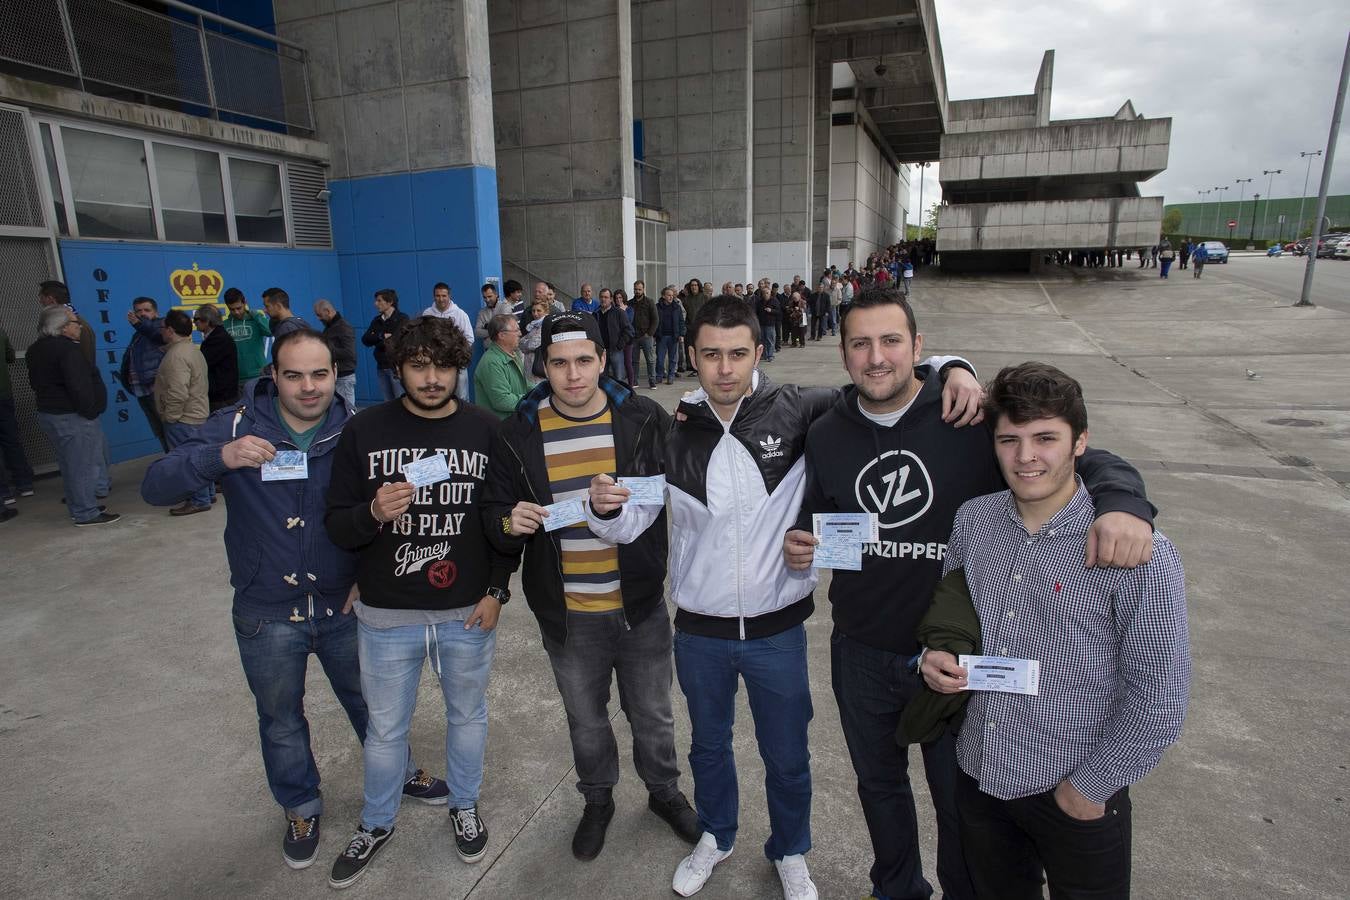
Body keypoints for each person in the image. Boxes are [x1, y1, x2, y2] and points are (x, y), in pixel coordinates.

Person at [589, 295, 983, 900]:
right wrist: (601, 510)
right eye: (712, 355)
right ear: (691, 356)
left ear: (758, 352)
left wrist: (956, 367)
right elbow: (631, 519)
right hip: (700, 630)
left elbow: (881, 376)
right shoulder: (668, 432)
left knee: (788, 756)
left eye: (738, 354)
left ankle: (790, 849)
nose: (725, 368)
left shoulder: (799, 408)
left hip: (778, 630)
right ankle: (717, 836)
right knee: (710, 747)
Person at [783, 288, 1156, 900]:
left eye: (891, 341)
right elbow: (823, 519)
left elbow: (1065, 452)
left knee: (961, 803)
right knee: (878, 788)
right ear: (844, 354)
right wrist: (806, 545)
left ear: (919, 349)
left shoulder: (969, 414)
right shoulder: (827, 433)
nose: (877, 358)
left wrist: (1125, 503)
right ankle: (897, 888)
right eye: (860, 344)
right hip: (861, 649)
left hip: (964, 659)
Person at [141, 328, 448, 872]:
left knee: (376, 707)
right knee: (280, 718)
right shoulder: (234, 426)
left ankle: (399, 772)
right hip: (265, 609)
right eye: (294, 375)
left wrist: (368, 574)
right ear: (272, 375)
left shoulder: (360, 431)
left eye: (320, 374)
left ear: (336, 374)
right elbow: (155, 484)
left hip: (344, 607)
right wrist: (220, 457)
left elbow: (396, 510)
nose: (309, 387)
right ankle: (301, 805)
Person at [922, 362, 1189, 900]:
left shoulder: (1137, 551)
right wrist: (933, 655)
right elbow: (951, 618)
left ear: (1080, 441)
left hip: (1076, 788)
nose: (1026, 457)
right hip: (981, 774)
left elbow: (1160, 698)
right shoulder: (973, 522)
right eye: (1010, 440)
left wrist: (1087, 791)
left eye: (1046, 438)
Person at [481, 311, 701, 862]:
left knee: (652, 713)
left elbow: (692, 477)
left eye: (584, 361)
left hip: (639, 605)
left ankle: (663, 792)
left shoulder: (644, 418)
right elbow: (494, 517)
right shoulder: (518, 433)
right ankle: (597, 799)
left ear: (603, 361)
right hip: (568, 611)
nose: (573, 375)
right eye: (559, 363)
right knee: (586, 718)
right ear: (543, 366)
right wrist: (511, 522)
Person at [324, 316, 511, 888]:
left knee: (468, 715)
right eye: (418, 366)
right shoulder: (365, 431)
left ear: (459, 367)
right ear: (398, 368)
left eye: (444, 366)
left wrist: (498, 589)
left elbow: (500, 520)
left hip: (466, 611)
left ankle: (465, 805)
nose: (432, 379)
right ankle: (377, 821)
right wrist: (373, 515)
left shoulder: (486, 430)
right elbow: (337, 523)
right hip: (386, 613)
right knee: (384, 731)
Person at [26, 306, 118, 526]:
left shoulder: (35, 349)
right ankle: (87, 512)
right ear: (64, 327)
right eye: (76, 323)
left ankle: (79, 507)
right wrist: (89, 411)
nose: (80, 328)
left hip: (51, 414)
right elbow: (79, 386)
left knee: (70, 465)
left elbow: (34, 383)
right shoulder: (67, 350)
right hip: (72, 416)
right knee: (83, 465)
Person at [155, 309, 213, 516]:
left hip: (184, 418)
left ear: (170, 330)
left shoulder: (176, 356)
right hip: (196, 413)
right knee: (200, 457)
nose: (161, 332)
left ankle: (199, 499)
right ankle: (208, 493)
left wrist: (170, 416)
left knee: (188, 461)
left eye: (162, 328)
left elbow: (178, 392)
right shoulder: (192, 350)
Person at [119, 296, 169, 452]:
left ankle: (178, 463)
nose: (142, 314)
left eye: (147, 310)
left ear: (156, 312)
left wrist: (139, 324)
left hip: (156, 390)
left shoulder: (161, 325)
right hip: (142, 391)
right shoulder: (139, 333)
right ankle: (171, 462)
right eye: (138, 311)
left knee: (168, 430)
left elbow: (156, 335)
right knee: (159, 431)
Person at [0, 326, 36, 514]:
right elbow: (10, 356)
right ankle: (24, 483)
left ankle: (4, 492)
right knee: (12, 440)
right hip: (4, 393)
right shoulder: (1, 331)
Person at [420, 283, 474, 401]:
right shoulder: (427, 314)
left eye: (444, 296)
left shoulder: (460, 314)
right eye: (437, 296)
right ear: (434, 296)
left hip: (456, 362)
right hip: (435, 363)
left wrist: (457, 353)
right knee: (441, 396)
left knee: (461, 396)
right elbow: (423, 336)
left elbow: (469, 338)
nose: (441, 299)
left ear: (449, 296)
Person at [473, 313, 528, 419]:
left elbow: (524, 384)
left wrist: (542, 389)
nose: (520, 333)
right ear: (502, 335)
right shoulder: (491, 362)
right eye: (516, 330)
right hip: (499, 428)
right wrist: (532, 400)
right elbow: (502, 400)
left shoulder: (512, 354)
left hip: (512, 424)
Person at [363, 289, 409, 401]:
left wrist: (377, 341)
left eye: (379, 301)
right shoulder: (377, 320)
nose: (376, 304)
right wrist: (381, 336)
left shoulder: (402, 318)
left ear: (390, 302)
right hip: (381, 366)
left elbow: (396, 340)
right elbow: (365, 339)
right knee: (388, 402)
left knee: (400, 400)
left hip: (396, 367)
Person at [194, 303, 240, 411]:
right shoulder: (217, 337)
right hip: (221, 396)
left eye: (196, 319)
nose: (194, 322)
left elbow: (203, 363)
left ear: (207, 321)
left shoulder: (219, 339)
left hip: (222, 398)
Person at [224, 287, 273, 387]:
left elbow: (270, 332)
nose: (236, 312)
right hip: (237, 377)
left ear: (245, 303)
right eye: (232, 309)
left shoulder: (256, 320)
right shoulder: (224, 325)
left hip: (259, 374)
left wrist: (257, 316)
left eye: (239, 308)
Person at [314, 299, 358, 411]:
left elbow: (349, 352)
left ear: (328, 311)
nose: (318, 318)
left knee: (347, 410)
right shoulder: (330, 327)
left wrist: (326, 350)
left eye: (319, 315)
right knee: (338, 411)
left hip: (344, 376)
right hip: (336, 376)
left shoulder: (343, 327)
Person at [38, 280, 95, 364]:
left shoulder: (70, 326)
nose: (40, 302)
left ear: (51, 299)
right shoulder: (79, 323)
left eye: (42, 298)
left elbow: (84, 364)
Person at [595, 287, 634, 383]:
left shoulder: (618, 312)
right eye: (601, 297)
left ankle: (621, 398)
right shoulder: (596, 314)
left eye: (606, 297)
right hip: (602, 351)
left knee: (619, 378)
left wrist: (620, 345)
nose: (603, 299)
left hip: (615, 350)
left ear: (611, 299)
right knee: (602, 378)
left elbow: (629, 330)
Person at [654, 287, 684, 386]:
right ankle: (659, 375)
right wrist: (655, 333)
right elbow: (654, 321)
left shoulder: (677, 307)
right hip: (661, 336)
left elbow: (681, 322)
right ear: (663, 296)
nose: (671, 297)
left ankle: (670, 376)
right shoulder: (657, 307)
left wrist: (681, 334)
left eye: (672, 295)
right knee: (660, 358)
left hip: (673, 336)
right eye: (668, 295)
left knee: (673, 358)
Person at [632, 281, 659, 388]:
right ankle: (634, 381)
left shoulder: (649, 302)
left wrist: (649, 333)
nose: (637, 291)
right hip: (634, 337)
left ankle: (652, 381)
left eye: (639, 289)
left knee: (650, 360)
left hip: (646, 336)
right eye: (635, 289)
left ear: (643, 289)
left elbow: (655, 319)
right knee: (634, 361)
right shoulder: (630, 303)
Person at [520, 297, 550, 383]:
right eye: (533, 311)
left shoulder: (546, 325)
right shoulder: (533, 325)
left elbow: (532, 344)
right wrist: (525, 343)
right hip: (530, 366)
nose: (535, 314)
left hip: (539, 366)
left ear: (546, 311)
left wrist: (525, 342)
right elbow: (520, 343)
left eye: (539, 311)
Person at [755, 281, 781, 362]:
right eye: (764, 293)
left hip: (770, 324)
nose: (765, 294)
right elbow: (757, 312)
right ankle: (764, 355)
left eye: (767, 293)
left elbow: (778, 311)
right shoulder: (760, 302)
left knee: (770, 340)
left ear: (770, 293)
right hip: (761, 324)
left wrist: (771, 310)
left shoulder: (774, 301)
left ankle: (770, 355)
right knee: (762, 341)